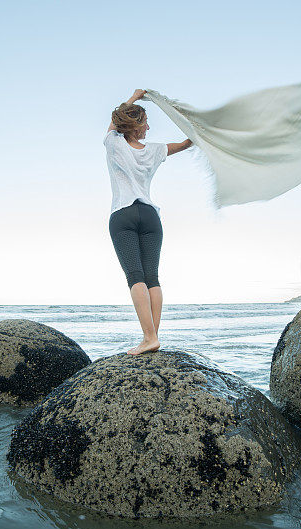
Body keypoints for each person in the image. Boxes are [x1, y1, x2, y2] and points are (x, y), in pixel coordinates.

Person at [104, 89, 193, 355]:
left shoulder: (114, 143)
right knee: (152, 277)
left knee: (135, 277)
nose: (149, 126)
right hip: (150, 216)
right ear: (137, 126)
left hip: (123, 214)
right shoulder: (155, 151)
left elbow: (113, 122)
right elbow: (184, 145)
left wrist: (133, 97)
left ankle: (148, 337)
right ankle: (152, 337)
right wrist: (197, 134)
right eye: (145, 122)